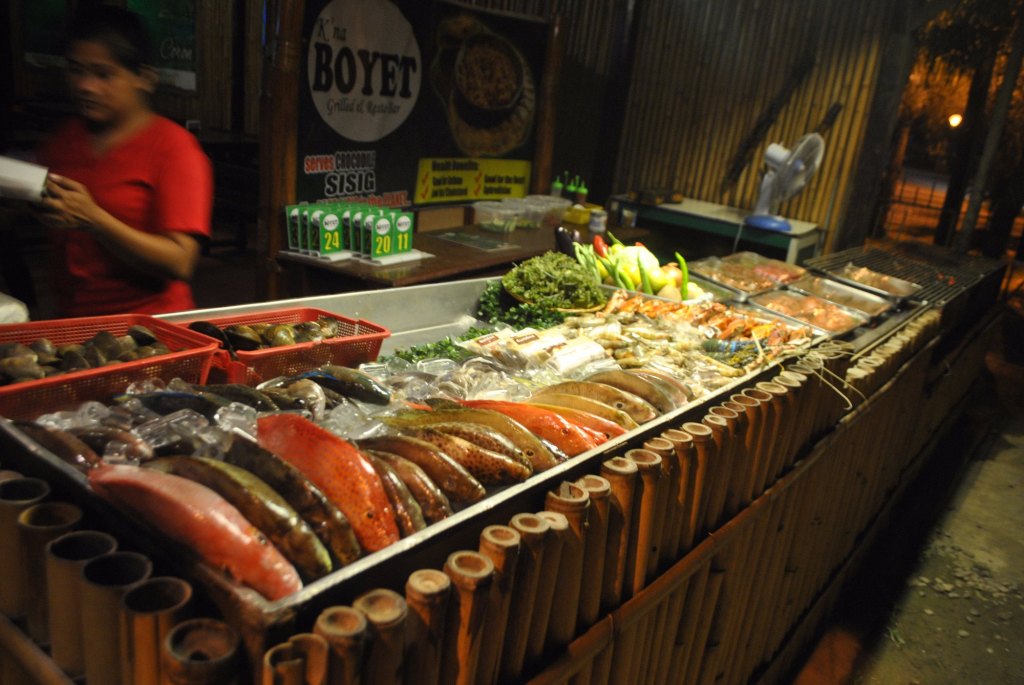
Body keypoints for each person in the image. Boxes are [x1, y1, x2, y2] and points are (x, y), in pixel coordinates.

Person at [35, 6, 212, 316]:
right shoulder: (63, 140)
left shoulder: (174, 149)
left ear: (143, 78)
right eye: (76, 70)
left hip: (149, 331)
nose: (85, 86)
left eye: (104, 74)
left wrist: (94, 219)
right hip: (73, 323)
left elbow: (180, 261)